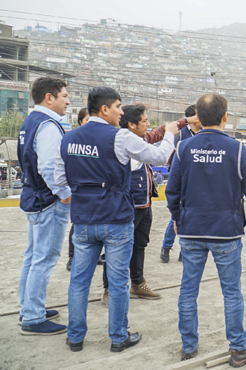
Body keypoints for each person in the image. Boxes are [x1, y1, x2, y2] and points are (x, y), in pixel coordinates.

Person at [54, 87, 178, 353]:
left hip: (84, 220)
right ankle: (118, 338)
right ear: (104, 109)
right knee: (119, 281)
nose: (121, 112)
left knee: (79, 280)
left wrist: (79, 198)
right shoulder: (120, 137)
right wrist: (169, 134)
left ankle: (75, 338)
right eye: (119, 107)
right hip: (116, 219)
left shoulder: (68, 138)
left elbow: (59, 182)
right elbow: (157, 156)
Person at [166, 93, 246, 365]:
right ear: (225, 116)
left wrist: (177, 217)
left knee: (188, 291)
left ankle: (188, 347)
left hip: (191, 231)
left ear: (197, 117)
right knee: (231, 292)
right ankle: (238, 349)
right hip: (226, 232)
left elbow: (172, 190)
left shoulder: (184, 148)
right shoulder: (237, 149)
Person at [98, 104, 197, 304]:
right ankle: (109, 290)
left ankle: (137, 283)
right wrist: (171, 132)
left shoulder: (138, 139)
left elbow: (158, 133)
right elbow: (161, 144)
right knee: (118, 249)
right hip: (128, 206)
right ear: (132, 125)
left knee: (140, 245)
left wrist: (187, 121)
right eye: (144, 121)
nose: (148, 125)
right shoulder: (123, 142)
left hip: (144, 203)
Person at [16, 77, 71, 335]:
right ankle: (33, 318)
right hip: (48, 200)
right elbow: (49, 167)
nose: (67, 101)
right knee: (44, 258)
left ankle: (28, 307)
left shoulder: (30, 122)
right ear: (49, 98)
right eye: (64, 96)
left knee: (32, 256)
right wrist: (64, 194)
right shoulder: (49, 125)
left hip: (33, 197)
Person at [161, 104, 201, 263]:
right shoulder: (181, 133)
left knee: (192, 216)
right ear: (191, 117)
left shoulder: (202, 134)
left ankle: (184, 250)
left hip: (196, 181)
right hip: (182, 179)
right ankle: (166, 246)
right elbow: (171, 154)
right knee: (176, 217)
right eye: (198, 115)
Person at [66, 107, 91, 272]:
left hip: (95, 190)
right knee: (78, 225)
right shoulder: (73, 139)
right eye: (88, 120)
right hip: (79, 188)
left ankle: (91, 257)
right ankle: (72, 257)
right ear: (80, 121)